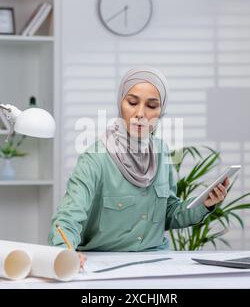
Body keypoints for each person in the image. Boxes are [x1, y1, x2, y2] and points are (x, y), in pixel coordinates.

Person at [48, 68, 230, 268]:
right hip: (104, 265)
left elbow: (168, 214)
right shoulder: (95, 158)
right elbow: (69, 216)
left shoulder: (161, 151)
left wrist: (205, 204)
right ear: (120, 104)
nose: (140, 114)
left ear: (161, 111)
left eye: (152, 106)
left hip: (158, 263)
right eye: (132, 103)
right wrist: (64, 253)